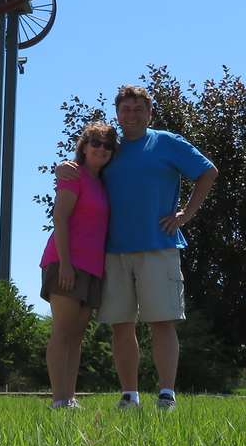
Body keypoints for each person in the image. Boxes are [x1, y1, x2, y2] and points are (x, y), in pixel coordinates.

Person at [57, 85, 218, 411]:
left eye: (138, 109)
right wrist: (64, 167)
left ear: (149, 113)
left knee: (162, 321)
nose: (131, 115)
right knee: (121, 324)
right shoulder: (110, 149)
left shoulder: (167, 142)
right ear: (117, 114)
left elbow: (208, 172)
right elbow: (83, 169)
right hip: (113, 252)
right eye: (125, 109)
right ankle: (129, 395)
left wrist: (185, 214)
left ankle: (166, 394)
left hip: (159, 246)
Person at [40, 121, 118, 409]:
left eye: (108, 145)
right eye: (95, 142)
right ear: (84, 146)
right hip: (66, 262)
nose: (101, 149)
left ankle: (69, 398)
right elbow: (60, 217)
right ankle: (58, 399)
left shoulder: (102, 182)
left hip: (92, 267)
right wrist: (65, 265)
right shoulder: (73, 175)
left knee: (76, 336)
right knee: (62, 331)